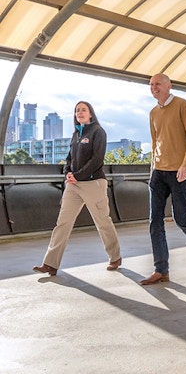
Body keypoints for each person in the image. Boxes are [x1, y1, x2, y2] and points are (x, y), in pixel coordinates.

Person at [140, 73, 186, 285]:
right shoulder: (153, 112)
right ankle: (161, 270)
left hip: (179, 171)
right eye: (151, 85)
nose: (154, 87)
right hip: (158, 172)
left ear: (168, 86)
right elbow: (155, 142)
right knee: (155, 221)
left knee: (180, 217)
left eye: (157, 84)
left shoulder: (182, 105)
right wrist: (152, 167)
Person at [33, 101, 121, 276]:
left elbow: (97, 159)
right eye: (77, 110)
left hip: (93, 183)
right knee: (62, 223)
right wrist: (68, 173)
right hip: (73, 185)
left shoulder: (98, 132)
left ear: (90, 113)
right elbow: (69, 158)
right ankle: (50, 263)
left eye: (83, 110)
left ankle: (115, 256)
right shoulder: (76, 134)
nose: (79, 112)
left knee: (102, 221)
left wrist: (79, 175)